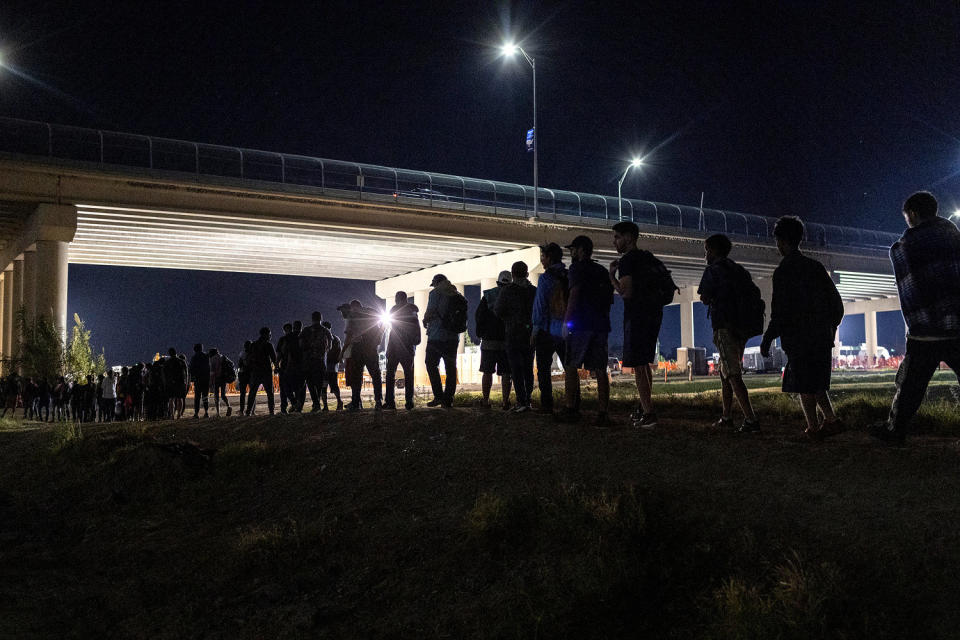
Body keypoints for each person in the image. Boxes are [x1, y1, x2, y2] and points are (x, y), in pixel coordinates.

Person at [869, 192, 960, 444]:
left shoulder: (906, 244)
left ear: (914, 214)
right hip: (958, 326)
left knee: (910, 385)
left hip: (925, 329)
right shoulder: (955, 236)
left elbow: (905, 270)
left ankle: (895, 430)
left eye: (907, 216)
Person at [760, 216, 844, 440]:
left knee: (804, 384)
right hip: (821, 337)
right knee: (816, 382)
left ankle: (813, 428)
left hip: (798, 338)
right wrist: (830, 329)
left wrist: (768, 338)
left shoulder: (784, 271)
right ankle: (831, 420)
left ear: (781, 241)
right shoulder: (816, 267)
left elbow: (779, 312)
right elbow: (837, 305)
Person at [609, 221, 670, 429]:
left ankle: (649, 413)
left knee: (638, 365)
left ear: (628, 238)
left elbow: (626, 293)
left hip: (637, 316)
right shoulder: (648, 258)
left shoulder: (628, 261)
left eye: (617, 237)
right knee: (644, 363)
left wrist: (611, 277)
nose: (614, 241)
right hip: (654, 314)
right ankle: (646, 408)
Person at [697, 234, 761, 432]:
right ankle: (726, 416)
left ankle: (751, 420)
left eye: (707, 250)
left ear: (714, 250)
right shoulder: (739, 270)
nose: (705, 255)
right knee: (726, 372)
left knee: (732, 374)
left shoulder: (713, 270)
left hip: (724, 326)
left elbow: (705, 298)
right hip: (741, 327)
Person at [558, 235, 615, 426]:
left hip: (581, 325)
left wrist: (567, 322)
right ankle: (602, 413)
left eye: (573, 249)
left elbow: (574, 294)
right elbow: (609, 299)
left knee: (571, 366)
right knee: (600, 369)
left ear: (581, 250)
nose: (571, 252)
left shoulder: (576, 269)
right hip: (600, 325)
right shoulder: (600, 270)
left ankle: (570, 409)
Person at [495, 261, 537, 413]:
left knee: (516, 368)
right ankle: (528, 398)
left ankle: (522, 401)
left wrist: (509, 319)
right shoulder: (534, 291)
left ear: (512, 274)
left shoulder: (507, 291)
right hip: (530, 333)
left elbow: (498, 310)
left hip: (512, 333)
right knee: (528, 367)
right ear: (527, 273)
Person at [531, 242, 568, 413]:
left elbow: (540, 307)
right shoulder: (567, 275)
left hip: (547, 330)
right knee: (570, 368)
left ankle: (547, 405)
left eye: (543, 258)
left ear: (549, 258)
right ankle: (573, 402)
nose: (542, 262)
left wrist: (535, 329)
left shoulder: (545, 278)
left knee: (544, 370)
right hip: (566, 330)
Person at [422, 274, 466, 408]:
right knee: (451, 368)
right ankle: (448, 400)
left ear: (436, 282)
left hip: (436, 336)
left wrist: (425, 320)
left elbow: (430, 312)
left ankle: (438, 396)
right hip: (452, 338)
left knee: (430, 364)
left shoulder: (435, 293)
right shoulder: (456, 293)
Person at [475, 270, 513, 410]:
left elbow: (479, 316)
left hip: (489, 341)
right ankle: (505, 402)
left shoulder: (488, 295)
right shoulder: (513, 296)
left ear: (498, 282)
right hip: (507, 340)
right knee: (506, 373)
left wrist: (481, 333)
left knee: (487, 371)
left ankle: (485, 401)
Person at [340, 300, 384, 411]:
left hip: (358, 348)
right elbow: (383, 325)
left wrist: (342, 352)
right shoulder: (371, 312)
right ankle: (378, 401)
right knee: (375, 375)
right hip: (371, 348)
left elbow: (349, 336)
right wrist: (378, 338)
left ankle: (356, 403)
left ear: (352, 307)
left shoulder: (352, 316)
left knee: (356, 376)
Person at [384, 291, 421, 410]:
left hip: (395, 346)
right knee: (408, 374)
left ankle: (390, 401)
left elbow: (392, 329)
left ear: (398, 299)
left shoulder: (394, 310)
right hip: (407, 346)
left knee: (390, 374)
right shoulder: (412, 310)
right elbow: (416, 327)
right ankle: (409, 402)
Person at [300, 312, 333, 412]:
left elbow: (300, 344)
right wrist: (323, 350)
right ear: (321, 318)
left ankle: (316, 403)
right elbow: (330, 346)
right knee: (319, 383)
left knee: (310, 382)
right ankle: (316, 403)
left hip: (308, 360)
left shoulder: (306, 330)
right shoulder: (326, 331)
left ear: (312, 318)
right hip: (320, 360)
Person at [245, 327, 279, 416]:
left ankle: (248, 411)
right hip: (266, 372)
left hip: (255, 372)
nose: (270, 336)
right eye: (269, 334)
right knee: (270, 393)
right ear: (266, 334)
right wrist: (276, 368)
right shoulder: (268, 345)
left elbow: (248, 359)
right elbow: (274, 358)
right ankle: (271, 411)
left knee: (252, 392)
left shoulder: (253, 345)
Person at [320, 320, 344, 410]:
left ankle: (331, 404)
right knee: (328, 386)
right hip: (331, 366)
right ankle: (336, 403)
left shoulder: (331, 339)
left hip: (329, 366)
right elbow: (339, 352)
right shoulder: (335, 338)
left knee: (328, 386)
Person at [276, 323, 296, 414]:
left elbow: (279, 355)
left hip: (285, 367)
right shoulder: (296, 338)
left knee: (284, 388)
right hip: (296, 366)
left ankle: (285, 407)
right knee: (293, 387)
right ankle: (294, 404)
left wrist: (276, 365)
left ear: (284, 330)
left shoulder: (283, 339)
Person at [163, 347, 187, 419]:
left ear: (169, 354)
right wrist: (186, 382)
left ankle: (172, 415)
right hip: (180, 382)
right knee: (180, 399)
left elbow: (164, 374)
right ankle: (179, 415)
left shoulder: (167, 362)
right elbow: (186, 372)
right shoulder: (181, 361)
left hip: (170, 383)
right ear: (176, 353)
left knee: (171, 399)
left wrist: (165, 383)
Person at [189, 343, 210, 419]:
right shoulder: (206, 356)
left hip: (198, 380)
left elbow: (191, 368)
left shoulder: (194, 357)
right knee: (205, 396)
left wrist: (192, 378)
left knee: (197, 397)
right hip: (206, 380)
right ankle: (206, 412)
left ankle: (196, 413)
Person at [236, 341, 252, 414]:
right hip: (251, 375)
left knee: (242, 394)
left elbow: (239, 365)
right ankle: (251, 410)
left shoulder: (242, 354)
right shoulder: (253, 353)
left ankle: (242, 410)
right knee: (252, 393)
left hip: (243, 375)